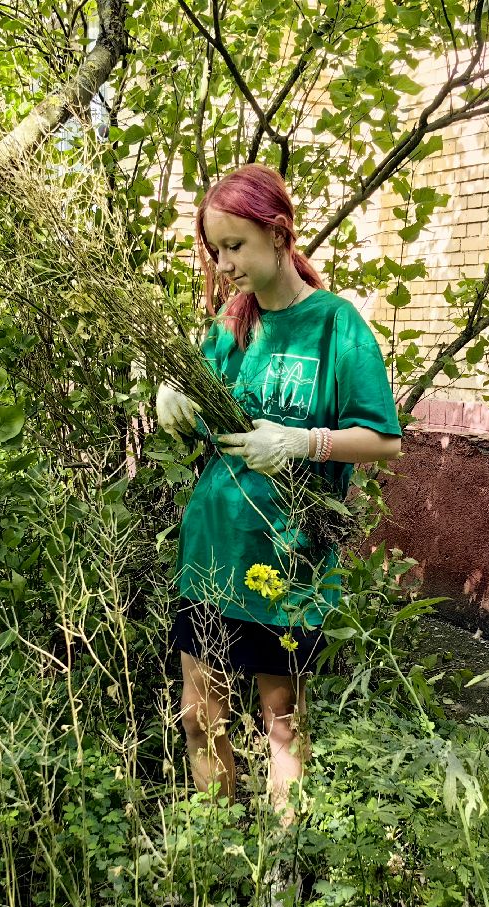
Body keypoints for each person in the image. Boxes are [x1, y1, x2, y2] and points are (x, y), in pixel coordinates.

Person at [155, 163, 402, 822]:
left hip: (289, 557)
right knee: (199, 716)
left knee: (282, 722)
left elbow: (383, 440)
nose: (225, 262)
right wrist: (171, 396)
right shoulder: (229, 328)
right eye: (216, 250)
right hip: (211, 550)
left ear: (279, 233)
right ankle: (218, 852)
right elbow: (193, 407)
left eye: (235, 245)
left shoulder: (334, 326)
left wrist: (303, 442)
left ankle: (283, 873)